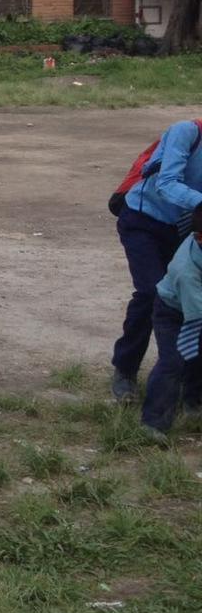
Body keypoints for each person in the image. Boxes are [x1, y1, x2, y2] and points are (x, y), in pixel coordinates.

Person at [110, 119, 202, 403]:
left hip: (186, 230)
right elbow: (167, 183)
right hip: (143, 221)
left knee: (187, 300)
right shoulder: (186, 132)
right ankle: (125, 370)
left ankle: (189, 387)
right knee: (152, 293)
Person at [142, 208, 202, 442]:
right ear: (199, 238)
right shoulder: (187, 272)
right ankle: (152, 422)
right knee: (173, 362)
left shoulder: (196, 231)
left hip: (192, 309)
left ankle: (193, 402)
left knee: (197, 358)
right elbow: (197, 317)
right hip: (174, 313)